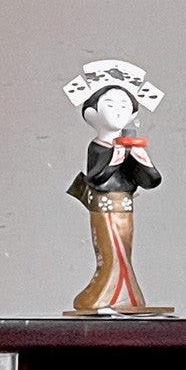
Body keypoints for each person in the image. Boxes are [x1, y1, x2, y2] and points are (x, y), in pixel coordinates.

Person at [66, 85, 162, 312]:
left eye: (124, 106)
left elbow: (151, 181)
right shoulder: (98, 147)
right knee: (110, 253)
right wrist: (115, 158)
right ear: (92, 113)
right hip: (104, 207)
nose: (118, 111)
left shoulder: (130, 149)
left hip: (125, 207)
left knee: (124, 252)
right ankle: (104, 295)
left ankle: (128, 296)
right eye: (110, 105)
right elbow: (96, 178)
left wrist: (142, 160)